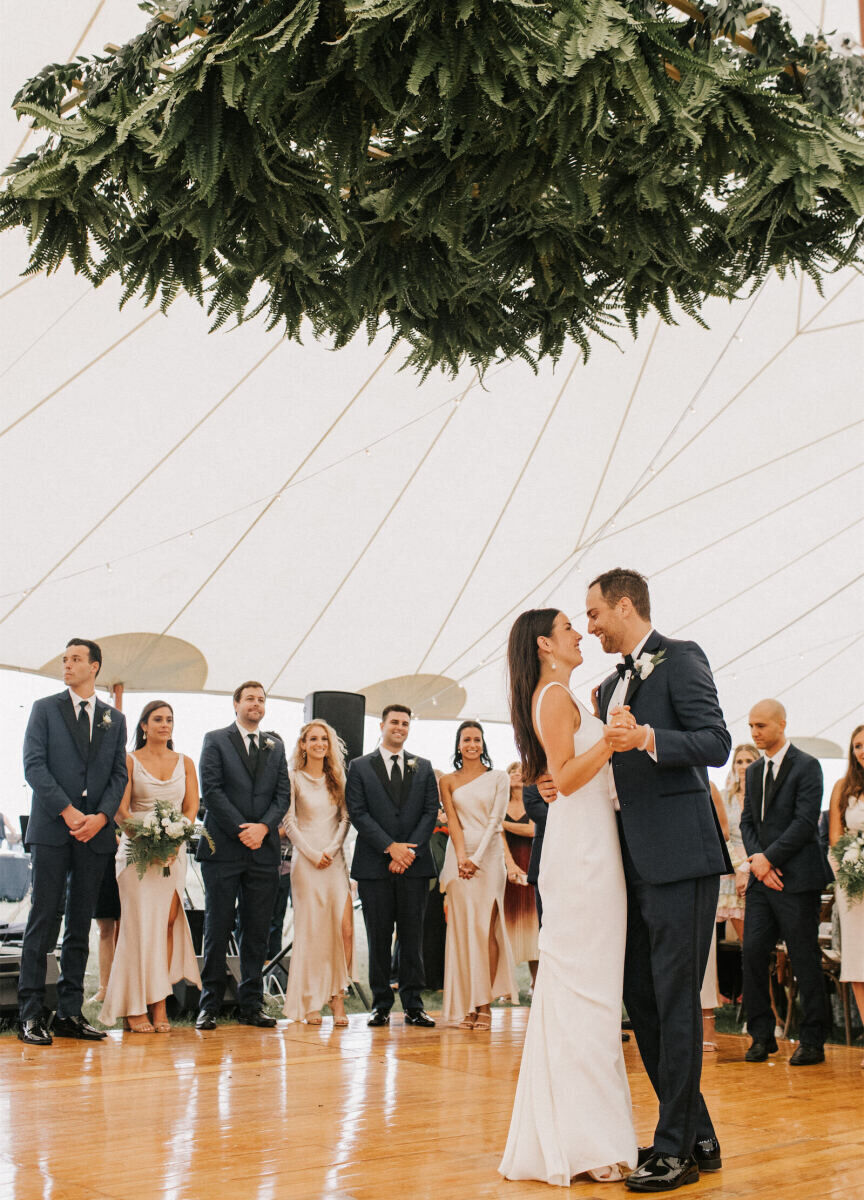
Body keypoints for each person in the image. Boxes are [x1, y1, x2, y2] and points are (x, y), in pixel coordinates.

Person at [587, 568, 732, 1192]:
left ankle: (675, 1150)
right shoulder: (602, 690)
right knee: (641, 1000)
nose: (589, 624)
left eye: (594, 613)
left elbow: (716, 742)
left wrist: (647, 736)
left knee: (675, 1001)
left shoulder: (682, 659)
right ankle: (696, 1130)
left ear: (625, 606)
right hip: (628, 866)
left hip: (681, 858)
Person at [499, 609, 636, 1185]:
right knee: (588, 994)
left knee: (592, 993)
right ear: (545, 644)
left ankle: (582, 1133)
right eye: (568, 628)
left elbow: (559, 778)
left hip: (591, 846)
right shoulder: (553, 695)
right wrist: (609, 738)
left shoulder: (560, 693)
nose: (579, 633)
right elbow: (567, 775)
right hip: (581, 856)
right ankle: (587, 1142)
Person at [17, 639, 128, 1045]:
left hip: (94, 836)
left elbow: (119, 774)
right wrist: (67, 811)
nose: (68, 665)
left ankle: (68, 1013)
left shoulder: (114, 720)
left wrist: (100, 818)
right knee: (43, 920)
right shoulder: (45, 709)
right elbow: (33, 764)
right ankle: (30, 1013)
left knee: (80, 924)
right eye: (65, 660)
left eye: (76, 659)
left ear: (95, 667)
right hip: (52, 830)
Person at [740, 699, 832, 1065]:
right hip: (764, 880)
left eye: (761, 726)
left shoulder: (808, 766)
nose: (754, 733)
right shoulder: (753, 771)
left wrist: (768, 859)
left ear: (781, 724)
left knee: (804, 958)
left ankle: (813, 1040)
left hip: (798, 878)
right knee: (752, 954)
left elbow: (805, 822)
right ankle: (761, 1036)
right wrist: (759, 863)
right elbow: (747, 821)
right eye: (750, 726)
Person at [101, 701, 201, 1032]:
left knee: (166, 925)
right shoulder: (129, 760)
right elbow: (120, 809)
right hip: (136, 855)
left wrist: (174, 840)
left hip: (173, 853)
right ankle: (133, 1008)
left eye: (169, 719)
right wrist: (146, 840)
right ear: (144, 725)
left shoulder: (185, 762)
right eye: (157, 719)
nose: (164, 724)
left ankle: (159, 1004)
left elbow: (191, 807)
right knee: (137, 927)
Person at [196, 681, 291, 1029]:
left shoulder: (275, 746)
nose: (256, 704)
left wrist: (263, 829)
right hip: (223, 847)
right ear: (235, 704)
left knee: (256, 930)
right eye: (250, 698)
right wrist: (242, 829)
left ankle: (251, 1004)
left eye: (261, 700)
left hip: (263, 851)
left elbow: (283, 795)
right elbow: (213, 790)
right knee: (217, 927)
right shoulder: (216, 740)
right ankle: (209, 1005)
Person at [345, 703, 439, 1028]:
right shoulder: (359, 767)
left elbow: (430, 812)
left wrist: (407, 852)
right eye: (394, 722)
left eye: (405, 723)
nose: (400, 727)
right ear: (382, 725)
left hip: (414, 865)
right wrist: (390, 848)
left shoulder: (423, 767)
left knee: (413, 938)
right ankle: (381, 1004)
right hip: (375, 867)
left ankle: (414, 1005)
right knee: (379, 938)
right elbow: (358, 812)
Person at [439, 723, 518, 1029]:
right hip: (458, 857)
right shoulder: (447, 781)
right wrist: (461, 857)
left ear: (483, 744)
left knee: (486, 927)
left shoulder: (498, 778)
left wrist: (477, 858)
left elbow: (496, 822)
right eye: (466, 739)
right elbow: (454, 824)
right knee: (463, 931)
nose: (471, 744)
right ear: (458, 745)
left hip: (489, 857)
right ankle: (466, 1005)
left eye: (476, 739)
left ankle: (484, 1004)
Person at [282, 720, 352, 1026]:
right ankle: (310, 1001)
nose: (319, 743)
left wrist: (332, 850)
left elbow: (346, 817)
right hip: (306, 863)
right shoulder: (293, 777)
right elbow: (289, 822)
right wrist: (312, 854)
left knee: (343, 930)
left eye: (324, 738)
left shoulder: (337, 777)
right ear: (303, 744)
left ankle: (338, 999)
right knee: (311, 933)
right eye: (313, 738)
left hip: (335, 862)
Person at [828, 723, 864, 1068]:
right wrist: (850, 872)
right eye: (856, 746)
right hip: (854, 886)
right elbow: (836, 837)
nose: (861, 751)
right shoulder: (843, 787)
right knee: (858, 963)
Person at [717, 744, 760, 945]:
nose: (743, 766)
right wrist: (738, 866)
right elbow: (721, 836)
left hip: (760, 867)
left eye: (748, 761)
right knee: (747, 942)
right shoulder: (725, 797)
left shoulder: (764, 797)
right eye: (739, 761)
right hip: (732, 873)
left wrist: (750, 866)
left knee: (764, 939)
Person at [502, 762, 539, 988]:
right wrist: (509, 864)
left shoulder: (533, 802)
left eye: (520, 770)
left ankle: (536, 982)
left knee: (533, 925)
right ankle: (506, 986)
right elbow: (498, 836)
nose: (516, 774)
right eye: (511, 771)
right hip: (508, 866)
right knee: (507, 924)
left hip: (532, 863)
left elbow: (533, 829)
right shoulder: (500, 803)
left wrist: (502, 823)